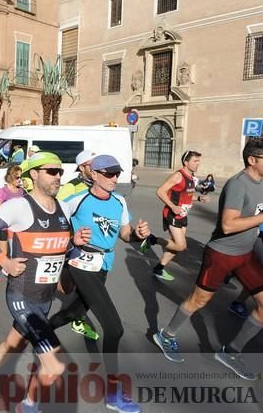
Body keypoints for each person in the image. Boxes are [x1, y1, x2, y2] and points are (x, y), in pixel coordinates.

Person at [0, 152, 90, 412]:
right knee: (55, 364)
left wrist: (74, 245)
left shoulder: (62, 208)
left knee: (16, 341)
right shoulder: (19, 206)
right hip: (22, 295)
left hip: (45, 297)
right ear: (34, 174)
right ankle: (28, 405)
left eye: (59, 172)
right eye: (51, 171)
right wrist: (4, 261)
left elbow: (59, 248)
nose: (57, 176)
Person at [153, 139, 263, 381]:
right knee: (198, 300)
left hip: (246, 254)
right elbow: (228, 224)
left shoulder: (261, 182)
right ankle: (167, 335)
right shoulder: (238, 185)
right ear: (252, 160)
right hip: (222, 254)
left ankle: (231, 353)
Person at [49, 154, 151, 413]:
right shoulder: (76, 199)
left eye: (117, 173)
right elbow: (52, 225)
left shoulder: (119, 202)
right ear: (93, 174)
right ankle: (113, 393)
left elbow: (125, 235)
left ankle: (37, 330)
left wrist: (137, 235)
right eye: (108, 173)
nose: (114, 178)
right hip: (81, 264)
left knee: (74, 312)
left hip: (104, 265)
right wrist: (73, 239)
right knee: (114, 329)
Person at [141, 150, 210, 281]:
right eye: (195, 161)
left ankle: (159, 268)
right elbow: (160, 191)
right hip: (172, 214)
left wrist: (199, 199)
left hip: (182, 215)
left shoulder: (191, 177)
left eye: (198, 161)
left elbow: (186, 196)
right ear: (186, 162)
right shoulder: (178, 176)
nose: (197, 164)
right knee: (181, 245)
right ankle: (152, 239)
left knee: (175, 245)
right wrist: (172, 206)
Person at [56, 149, 99, 340]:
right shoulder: (71, 187)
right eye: (92, 165)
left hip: (96, 246)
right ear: (82, 167)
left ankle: (76, 317)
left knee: (83, 285)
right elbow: (58, 212)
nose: (96, 168)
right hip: (75, 243)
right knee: (71, 286)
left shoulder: (99, 185)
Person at [0, 165, 24, 284]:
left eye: (21, 177)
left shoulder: (21, 191)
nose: (20, 180)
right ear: (10, 177)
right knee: (3, 252)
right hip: (3, 226)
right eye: (17, 177)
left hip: (16, 227)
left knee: (17, 250)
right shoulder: (4, 191)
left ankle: (8, 268)